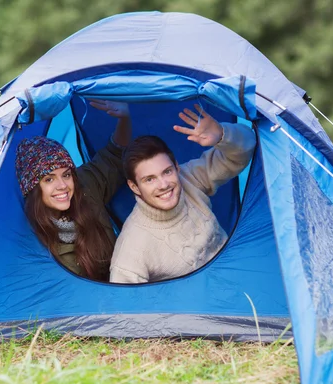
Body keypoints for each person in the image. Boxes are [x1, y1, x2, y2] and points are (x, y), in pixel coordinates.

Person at [109, 104, 256, 284]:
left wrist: (222, 135)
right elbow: (126, 307)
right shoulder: (132, 247)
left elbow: (247, 146)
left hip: (241, 278)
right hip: (204, 310)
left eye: (167, 172)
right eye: (149, 179)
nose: (163, 185)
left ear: (177, 167)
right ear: (134, 187)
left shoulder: (189, 178)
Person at [16, 100, 131, 281]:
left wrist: (124, 118)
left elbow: (114, 156)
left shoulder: (84, 187)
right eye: (49, 179)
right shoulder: (28, 235)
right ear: (33, 187)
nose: (62, 185)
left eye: (66, 175)